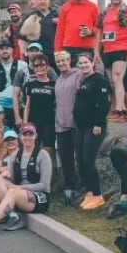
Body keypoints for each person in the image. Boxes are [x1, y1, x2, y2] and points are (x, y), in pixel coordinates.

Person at [0, 123, 52, 236]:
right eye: (24, 134)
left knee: (13, 191)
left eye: (30, 134)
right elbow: (12, 179)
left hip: (39, 197)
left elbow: (44, 185)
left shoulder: (42, 155)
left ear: (35, 136)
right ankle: (14, 216)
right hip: (19, 193)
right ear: (20, 137)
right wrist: (4, 175)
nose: (27, 137)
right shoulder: (15, 155)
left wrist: (21, 187)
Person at [95, 0, 127, 122]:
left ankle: (119, 109)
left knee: (117, 76)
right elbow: (99, 32)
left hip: (122, 48)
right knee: (112, 82)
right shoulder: (104, 13)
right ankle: (122, 111)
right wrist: (96, 51)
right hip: (107, 50)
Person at [73, 52, 111, 211]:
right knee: (81, 161)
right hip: (81, 127)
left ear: (92, 63)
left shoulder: (99, 80)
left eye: (85, 63)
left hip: (93, 127)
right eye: (80, 63)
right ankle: (89, 192)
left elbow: (104, 104)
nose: (83, 65)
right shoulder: (84, 80)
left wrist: (98, 123)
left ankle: (97, 195)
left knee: (88, 161)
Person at [53, 51, 83, 206]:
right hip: (61, 125)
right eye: (58, 61)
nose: (61, 63)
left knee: (80, 157)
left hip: (76, 124)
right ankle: (69, 189)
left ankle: (82, 188)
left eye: (64, 60)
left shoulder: (78, 74)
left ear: (70, 60)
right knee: (65, 159)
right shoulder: (58, 80)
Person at [54, 0, 99, 65]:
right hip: (68, 48)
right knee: (70, 75)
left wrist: (91, 31)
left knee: (86, 75)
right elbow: (60, 31)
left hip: (87, 48)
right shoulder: (65, 8)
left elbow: (99, 28)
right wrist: (57, 51)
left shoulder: (93, 7)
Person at [23, 55, 56, 160]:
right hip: (33, 121)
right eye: (36, 65)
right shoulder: (30, 84)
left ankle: (49, 174)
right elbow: (27, 105)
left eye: (42, 65)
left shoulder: (54, 84)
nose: (39, 68)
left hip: (49, 121)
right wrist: (25, 122)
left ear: (47, 66)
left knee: (48, 150)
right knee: (32, 150)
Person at [0, 39, 27, 129]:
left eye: (7, 48)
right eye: (2, 49)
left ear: (12, 50)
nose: (4, 51)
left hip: (20, 106)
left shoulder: (23, 66)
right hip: (3, 109)